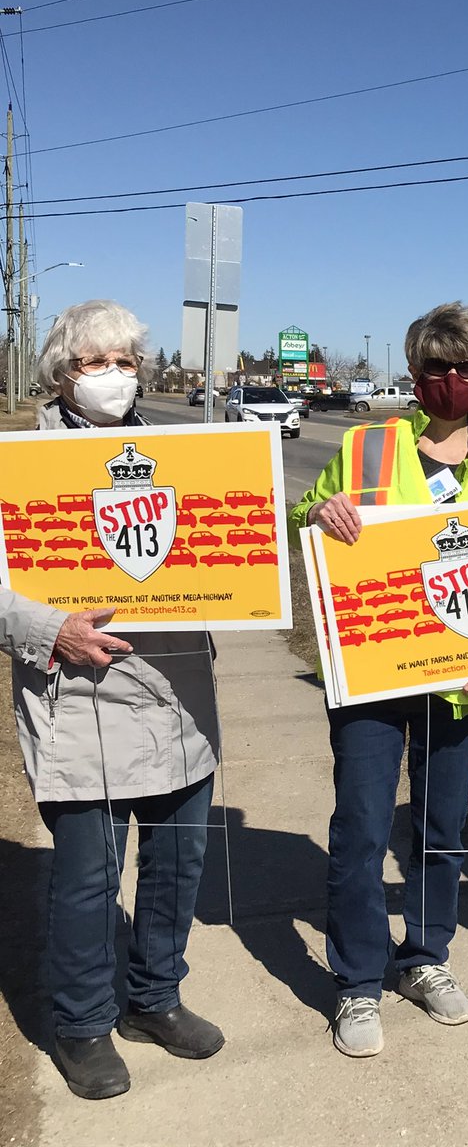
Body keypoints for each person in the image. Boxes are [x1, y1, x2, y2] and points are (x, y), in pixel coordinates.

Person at [289, 301, 468, 1057]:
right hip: (372, 671)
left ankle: (425, 957)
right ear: (415, 372)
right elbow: (304, 518)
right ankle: (358, 982)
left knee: (441, 829)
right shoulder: (365, 447)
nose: (453, 379)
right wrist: (319, 512)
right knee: (362, 829)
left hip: (463, 682)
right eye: (438, 367)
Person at [15, 300, 224, 1101]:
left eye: (125, 361)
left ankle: (154, 999)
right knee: (88, 879)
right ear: (60, 374)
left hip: (178, 695)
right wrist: (51, 629)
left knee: (176, 868)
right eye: (93, 362)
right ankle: (81, 1024)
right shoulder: (23, 464)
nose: (112, 375)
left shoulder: (185, 457)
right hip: (81, 700)